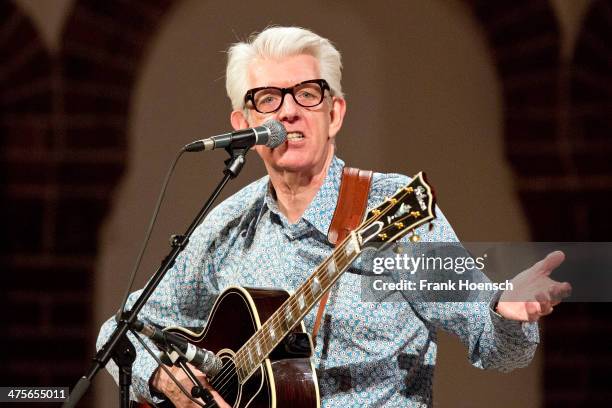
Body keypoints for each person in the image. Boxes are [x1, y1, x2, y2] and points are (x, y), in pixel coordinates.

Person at [97, 26, 571, 407]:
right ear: (243, 125)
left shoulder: (395, 209)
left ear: (334, 113)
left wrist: (507, 314)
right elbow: (120, 332)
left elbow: (492, 344)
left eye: (307, 93)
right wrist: (163, 378)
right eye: (268, 99)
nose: (289, 112)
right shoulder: (227, 226)